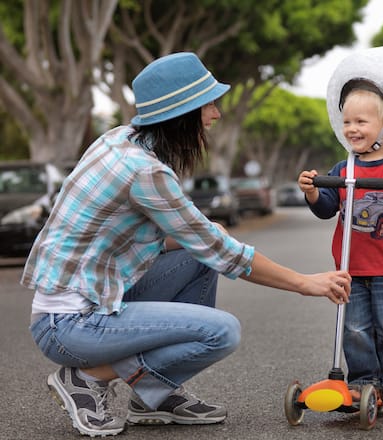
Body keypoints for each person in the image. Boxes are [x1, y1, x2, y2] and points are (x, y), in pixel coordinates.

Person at [22, 52, 350, 437]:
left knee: (201, 256)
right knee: (221, 331)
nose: (216, 114)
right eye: (208, 104)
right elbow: (224, 252)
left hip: (84, 301)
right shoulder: (145, 172)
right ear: (183, 112)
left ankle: (153, 395)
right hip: (71, 326)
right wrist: (305, 283)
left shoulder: (120, 140)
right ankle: (87, 379)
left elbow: (178, 240)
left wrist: (204, 235)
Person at [297, 79, 383, 418]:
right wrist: (313, 192)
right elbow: (326, 207)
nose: (352, 129)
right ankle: (361, 382)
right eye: (347, 122)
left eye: (361, 122)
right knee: (354, 330)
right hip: (350, 268)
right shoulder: (344, 169)